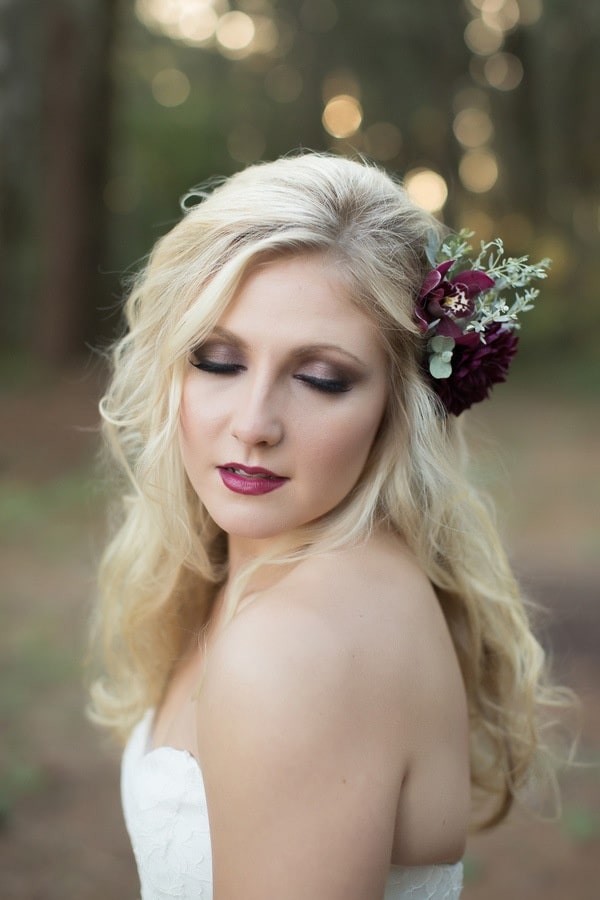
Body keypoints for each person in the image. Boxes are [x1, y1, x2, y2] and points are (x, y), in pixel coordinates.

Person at [89, 152, 571, 900]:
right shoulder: (294, 573)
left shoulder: (298, 647)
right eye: (218, 361)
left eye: (321, 378)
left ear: (397, 406)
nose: (253, 424)